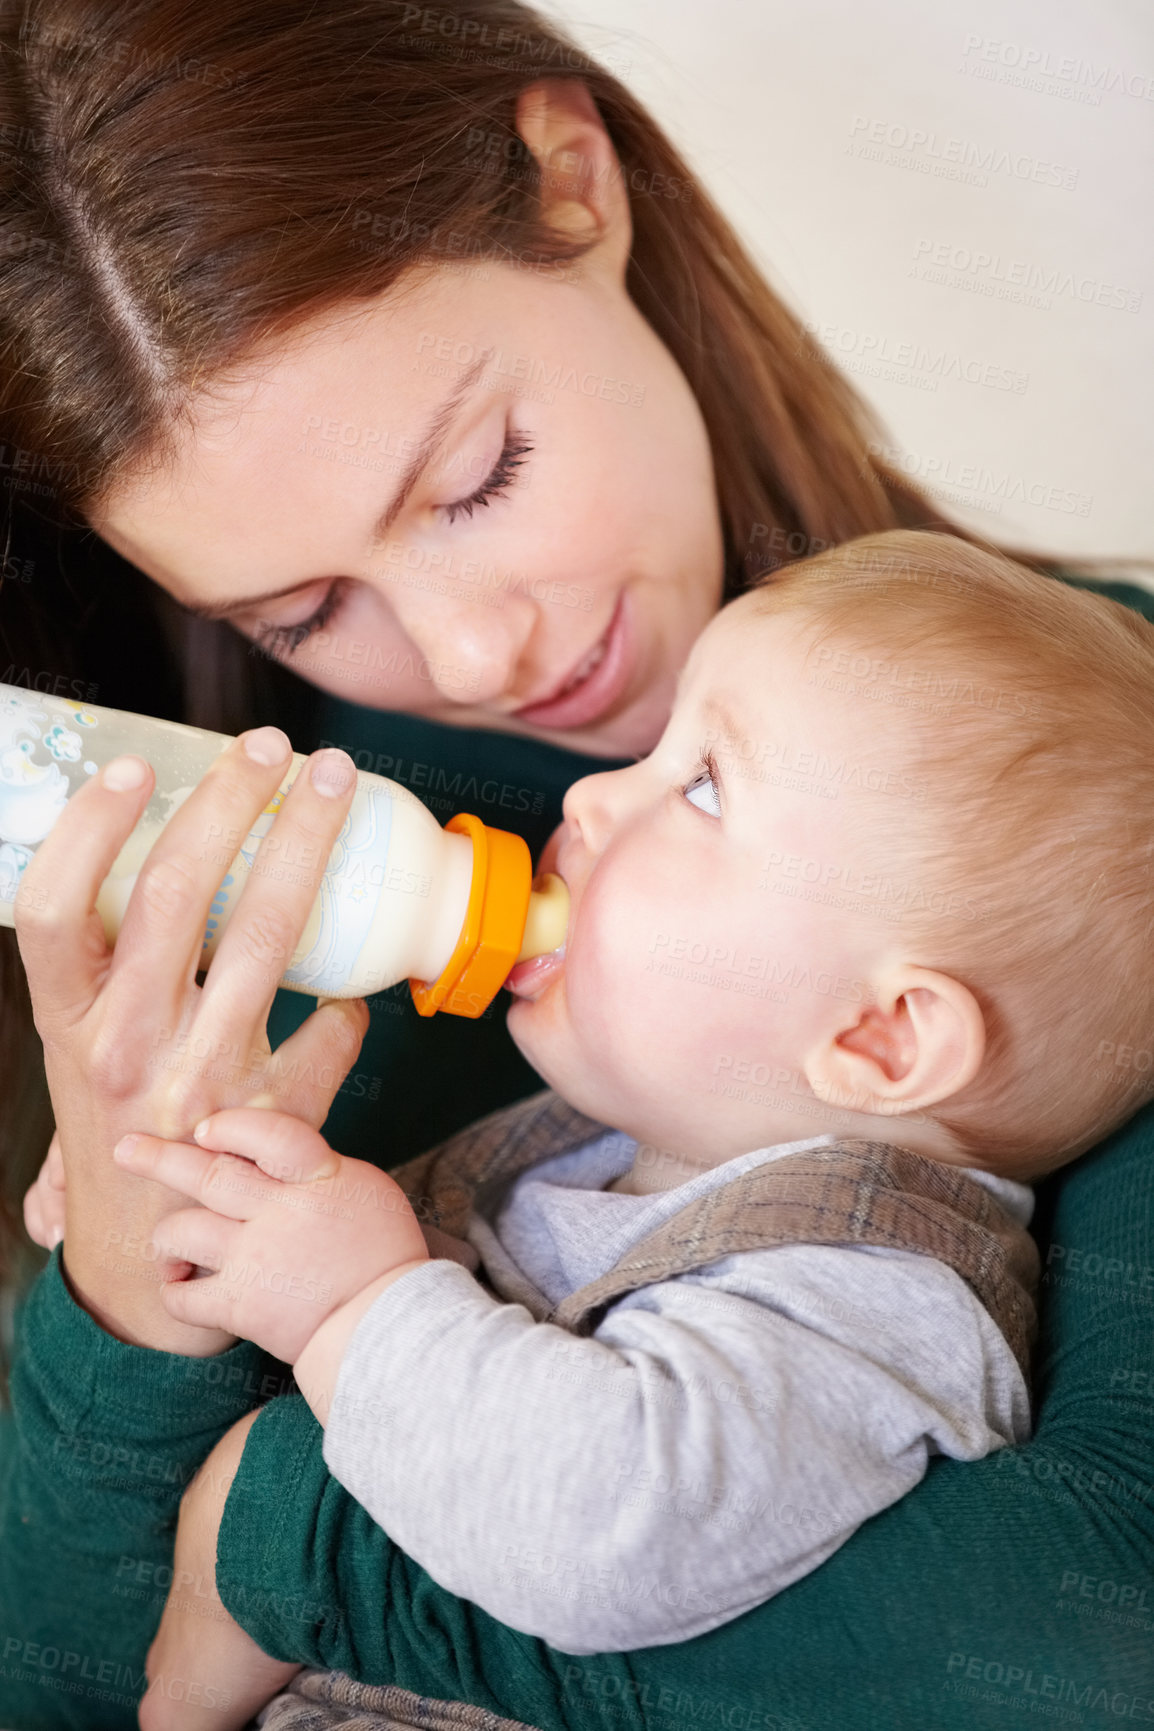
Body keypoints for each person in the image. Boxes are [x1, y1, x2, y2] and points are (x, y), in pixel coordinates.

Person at [1, 4, 1151, 1730]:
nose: (471, 658)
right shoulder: (235, 891)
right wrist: (118, 1285)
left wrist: (288, 1528)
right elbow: (54, 1688)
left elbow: (1091, 1653)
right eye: (300, 613)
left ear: (571, 180)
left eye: (480, 478)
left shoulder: (1093, 838)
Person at [19, 533, 1154, 1731]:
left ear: (879, 1040)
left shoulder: (863, 1296)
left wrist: (353, 1304)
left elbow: (605, 1529)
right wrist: (181, 1185)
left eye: (704, 785)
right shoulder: (591, 1149)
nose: (593, 794)